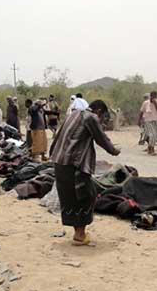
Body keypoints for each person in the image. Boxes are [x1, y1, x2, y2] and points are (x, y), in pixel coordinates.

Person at [50, 99, 121, 246]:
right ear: (99, 111)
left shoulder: (73, 114)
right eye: (103, 118)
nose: (101, 121)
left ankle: (78, 233)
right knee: (85, 196)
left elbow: (58, 136)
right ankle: (80, 235)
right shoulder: (91, 117)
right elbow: (101, 138)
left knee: (71, 198)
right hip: (74, 164)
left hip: (60, 162)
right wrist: (114, 151)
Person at [138, 91, 157, 155]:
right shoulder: (146, 103)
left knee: (155, 135)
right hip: (148, 120)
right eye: (152, 96)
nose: (154, 98)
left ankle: (151, 148)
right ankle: (151, 149)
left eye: (155, 96)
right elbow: (141, 112)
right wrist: (139, 120)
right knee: (152, 134)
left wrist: (155, 103)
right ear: (150, 96)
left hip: (155, 120)